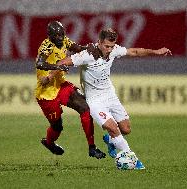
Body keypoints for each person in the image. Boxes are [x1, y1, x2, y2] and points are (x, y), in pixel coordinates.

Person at [52, 28, 172, 169]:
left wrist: (156, 52)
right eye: (106, 46)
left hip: (110, 96)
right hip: (95, 101)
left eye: (111, 46)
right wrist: (50, 76)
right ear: (99, 42)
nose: (109, 49)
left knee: (126, 129)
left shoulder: (114, 50)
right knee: (112, 127)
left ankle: (110, 140)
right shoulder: (86, 55)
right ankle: (132, 159)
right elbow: (62, 62)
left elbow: (134, 51)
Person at [34, 21, 106, 159]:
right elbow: (40, 63)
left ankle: (92, 147)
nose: (60, 38)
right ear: (50, 36)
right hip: (46, 92)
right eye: (57, 35)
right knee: (57, 127)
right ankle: (49, 142)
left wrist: (90, 48)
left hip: (61, 85)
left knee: (85, 107)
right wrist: (58, 67)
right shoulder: (47, 45)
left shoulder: (64, 40)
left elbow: (77, 48)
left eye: (62, 34)